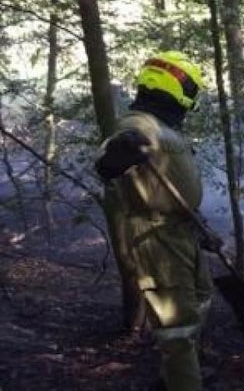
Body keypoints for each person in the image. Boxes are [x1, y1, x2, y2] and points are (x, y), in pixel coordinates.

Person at [94, 51, 214, 390]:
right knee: (176, 327)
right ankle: (182, 379)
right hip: (156, 238)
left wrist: (198, 222)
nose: (193, 99)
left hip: (181, 230)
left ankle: (174, 376)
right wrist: (119, 152)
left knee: (202, 297)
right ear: (179, 89)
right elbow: (107, 160)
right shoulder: (139, 124)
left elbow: (175, 181)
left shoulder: (163, 126)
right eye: (192, 89)